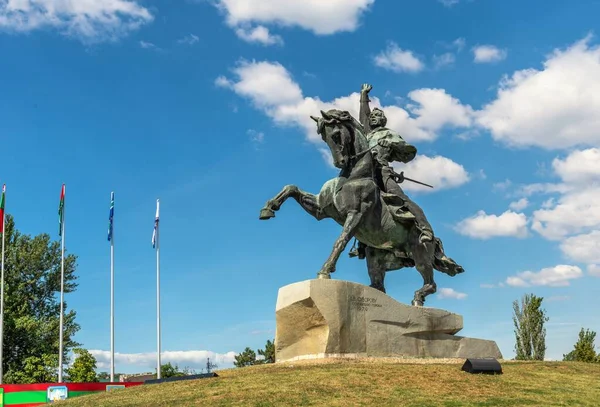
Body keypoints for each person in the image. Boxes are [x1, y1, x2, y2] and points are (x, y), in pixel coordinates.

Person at [358, 83, 434, 246]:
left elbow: (408, 152)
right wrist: (363, 96)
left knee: (401, 198)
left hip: (382, 172)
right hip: (366, 173)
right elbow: (363, 116)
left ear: (383, 120)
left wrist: (391, 145)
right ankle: (363, 244)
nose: (372, 118)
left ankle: (425, 229)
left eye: (376, 116)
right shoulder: (367, 134)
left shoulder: (389, 133)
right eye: (372, 116)